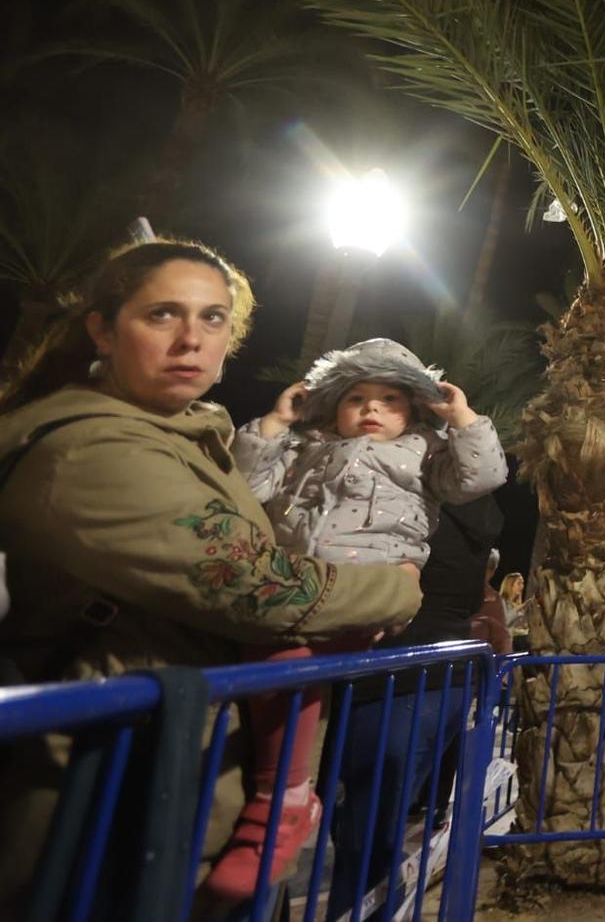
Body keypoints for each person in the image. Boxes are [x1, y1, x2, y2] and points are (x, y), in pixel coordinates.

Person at [0, 240, 421, 910]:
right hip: (108, 801)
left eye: (214, 318)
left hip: (181, 780)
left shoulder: (180, 434)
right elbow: (258, 585)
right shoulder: (89, 448)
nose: (191, 339)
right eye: (163, 314)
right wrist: (400, 586)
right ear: (103, 329)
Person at [215, 337, 507, 897]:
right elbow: (246, 490)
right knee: (280, 677)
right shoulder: (308, 449)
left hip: (371, 587)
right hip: (299, 583)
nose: (372, 409)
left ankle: (289, 801)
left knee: (366, 772)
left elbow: (480, 475)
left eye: (390, 399)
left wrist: (462, 417)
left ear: (415, 409)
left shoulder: (424, 452)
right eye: (357, 398)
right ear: (332, 406)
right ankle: (286, 800)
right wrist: (277, 424)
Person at [326, 492, 504, 919]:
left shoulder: (410, 505)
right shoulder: (475, 511)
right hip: (442, 675)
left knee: (364, 836)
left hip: (393, 675)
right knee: (373, 836)